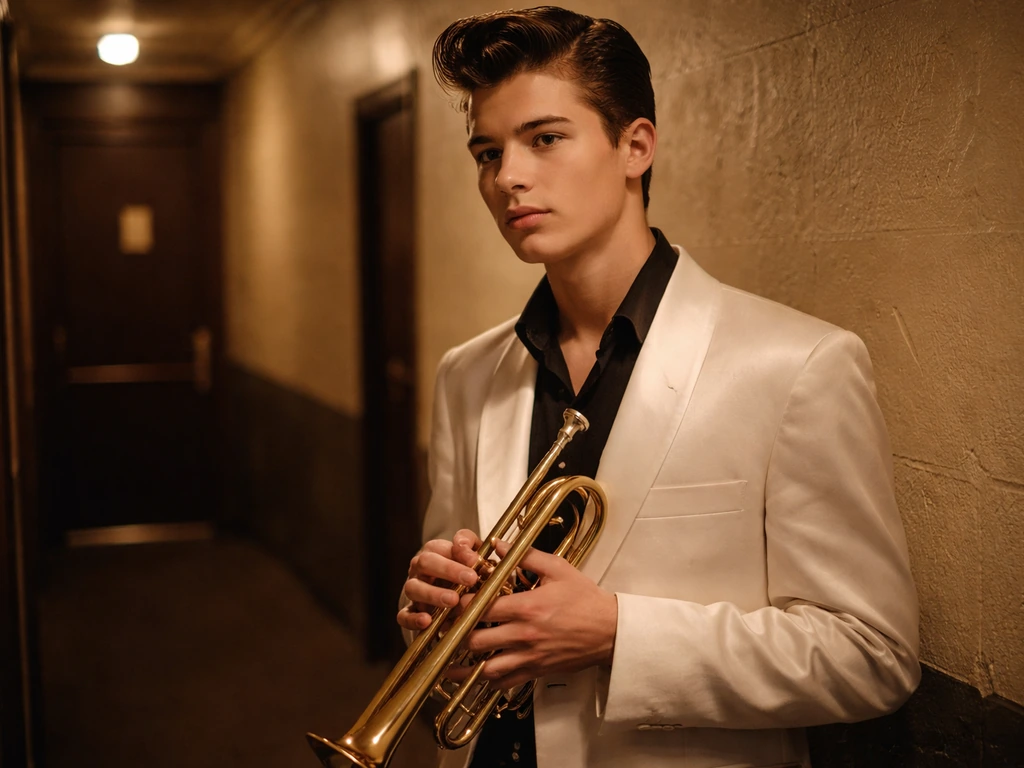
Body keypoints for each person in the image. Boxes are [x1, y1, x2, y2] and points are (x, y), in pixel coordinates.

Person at [397, 7, 920, 768]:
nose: (507, 176)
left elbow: (872, 654)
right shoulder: (467, 372)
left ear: (635, 146)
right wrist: (433, 614)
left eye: (544, 138)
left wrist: (617, 635)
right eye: (487, 152)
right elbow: (453, 632)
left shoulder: (799, 363)